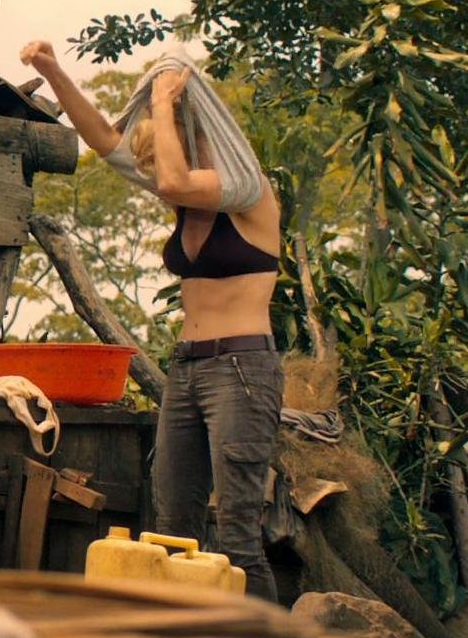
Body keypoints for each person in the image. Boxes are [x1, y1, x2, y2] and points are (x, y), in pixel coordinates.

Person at [22, 39, 284, 601]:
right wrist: (53, 70)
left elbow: (172, 180)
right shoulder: (186, 201)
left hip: (242, 369)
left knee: (237, 539)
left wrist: (164, 101)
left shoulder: (247, 193)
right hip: (188, 370)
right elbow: (105, 140)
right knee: (172, 530)